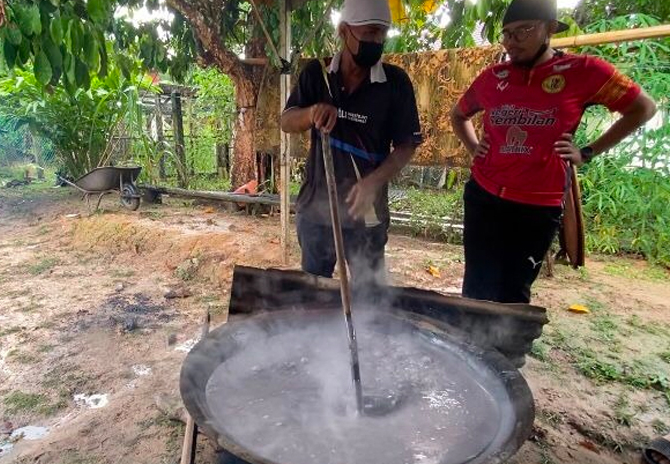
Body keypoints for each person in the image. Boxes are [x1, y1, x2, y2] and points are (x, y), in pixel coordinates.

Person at [450, 0, 656, 304]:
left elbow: (643, 109)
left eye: (523, 31)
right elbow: (458, 115)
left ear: (549, 29)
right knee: (476, 284)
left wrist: (586, 152)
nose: (511, 43)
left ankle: (507, 351)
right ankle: (465, 348)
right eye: (506, 34)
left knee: (513, 290)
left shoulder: (584, 71)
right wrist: (473, 148)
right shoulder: (493, 77)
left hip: (537, 205)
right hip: (484, 196)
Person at [281, 0, 422, 287]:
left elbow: (407, 144)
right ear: (344, 31)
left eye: (382, 34)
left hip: (366, 215)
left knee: (368, 299)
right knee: (314, 293)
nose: (377, 41)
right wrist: (311, 113)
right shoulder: (316, 75)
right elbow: (286, 121)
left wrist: (373, 183)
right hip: (317, 211)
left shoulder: (395, 83)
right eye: (370, 33)